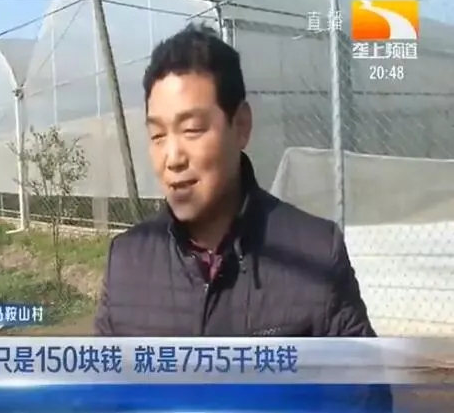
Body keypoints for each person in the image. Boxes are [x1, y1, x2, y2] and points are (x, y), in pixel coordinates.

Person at [95, 24, 379, 339]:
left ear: (241, 126)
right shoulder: (126, 263)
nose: (172, 158)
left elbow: (361, 372)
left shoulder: (316, 253)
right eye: (157, 135)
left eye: (192, 129)